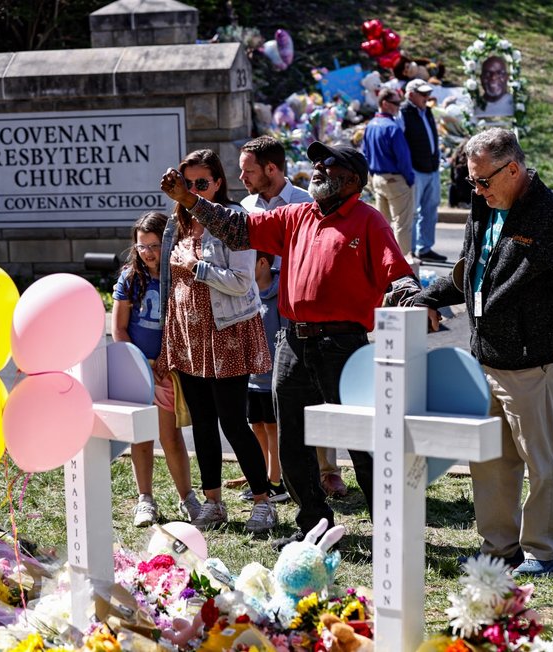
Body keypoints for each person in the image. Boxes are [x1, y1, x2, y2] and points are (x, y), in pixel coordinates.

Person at [159, 141, 419, 547]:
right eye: (315, 162)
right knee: (292, 441)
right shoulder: (297, 216)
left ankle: (390, 532)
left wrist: (410, 293)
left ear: (351, 180)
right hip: (293, 342)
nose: (316, 168)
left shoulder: (368, 221)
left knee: (364, 440)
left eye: (327, 164)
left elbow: (395, 271)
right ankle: (313, 526)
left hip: (344, 345)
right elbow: (237, 228)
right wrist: (191, 200)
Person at [407, 128, 553, 578]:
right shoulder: (485, 204)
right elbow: (471, 271)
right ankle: (499, 549)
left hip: (531, 361)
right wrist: (429, 296)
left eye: (482, 181)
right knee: (490, 461)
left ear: (512, 169)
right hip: (486, 357)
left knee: (540, 463)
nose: (476, 190)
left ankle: (540, 553)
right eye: (471, 181)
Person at [156, 148, 277, 535]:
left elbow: (242, 282)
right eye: (187, 184)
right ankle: (213, 503)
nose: (192, 190)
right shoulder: (177, 223)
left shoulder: (234, 219)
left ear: (219, 182)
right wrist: (166, 339)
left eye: (201, 183)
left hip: (226, 334)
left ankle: (263, 503)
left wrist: (198, 267)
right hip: (188, 337)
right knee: (203, 425)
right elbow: (168, 286)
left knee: (233, 422)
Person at [236, 135, 348, 499]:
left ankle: (328, 470)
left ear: (272, 168)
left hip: (301, 302)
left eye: (248, 171)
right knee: (270, 389)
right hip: (258, 304)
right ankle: (279, 471)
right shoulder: (246, 208)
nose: (243, 178)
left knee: (316, 389)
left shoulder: (306, 201)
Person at [112, 211, 201, 528]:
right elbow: (119, 329)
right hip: (139, 370)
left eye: (154, 244)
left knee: (171, 437)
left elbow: (186, 325)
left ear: (169, 242)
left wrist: (167, 358)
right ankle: (144, 499)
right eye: (141, 246)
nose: (147, 252)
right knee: (141, 437)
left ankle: (187, 497)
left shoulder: (179, 275)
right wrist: (140, 365)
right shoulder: (131, 278)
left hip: (169, 369)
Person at [239, 250, 291, 504]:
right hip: (250, 377)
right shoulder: (244, 291)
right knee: (256, 426)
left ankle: (276, 483)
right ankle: (259, 480)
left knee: (273, 428)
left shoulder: (281, 293)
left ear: (262, 262)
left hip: (272, 378)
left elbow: (284, 334)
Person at [363, 88, 416, 258]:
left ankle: (382, 260)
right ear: (384, 103)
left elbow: (365, 154)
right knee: (402, 224)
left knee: (383, 224)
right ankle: (402, 264)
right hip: (395, 180)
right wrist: (409, 180)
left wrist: (371, 177)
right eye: (395, 103)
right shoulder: (392, 127)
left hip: (377, 178)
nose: (398, 107)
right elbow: (403, 159)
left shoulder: (370, 125)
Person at [402, 79, 447, 263]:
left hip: (431, 167)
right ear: (411, 94)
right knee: (412, 212)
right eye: (423, 94)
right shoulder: (404, 112)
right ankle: (410, 250)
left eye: (428, 94)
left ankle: (425, 247)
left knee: (430, 208)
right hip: (415, 169)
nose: (427, 97)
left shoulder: (426, 111)